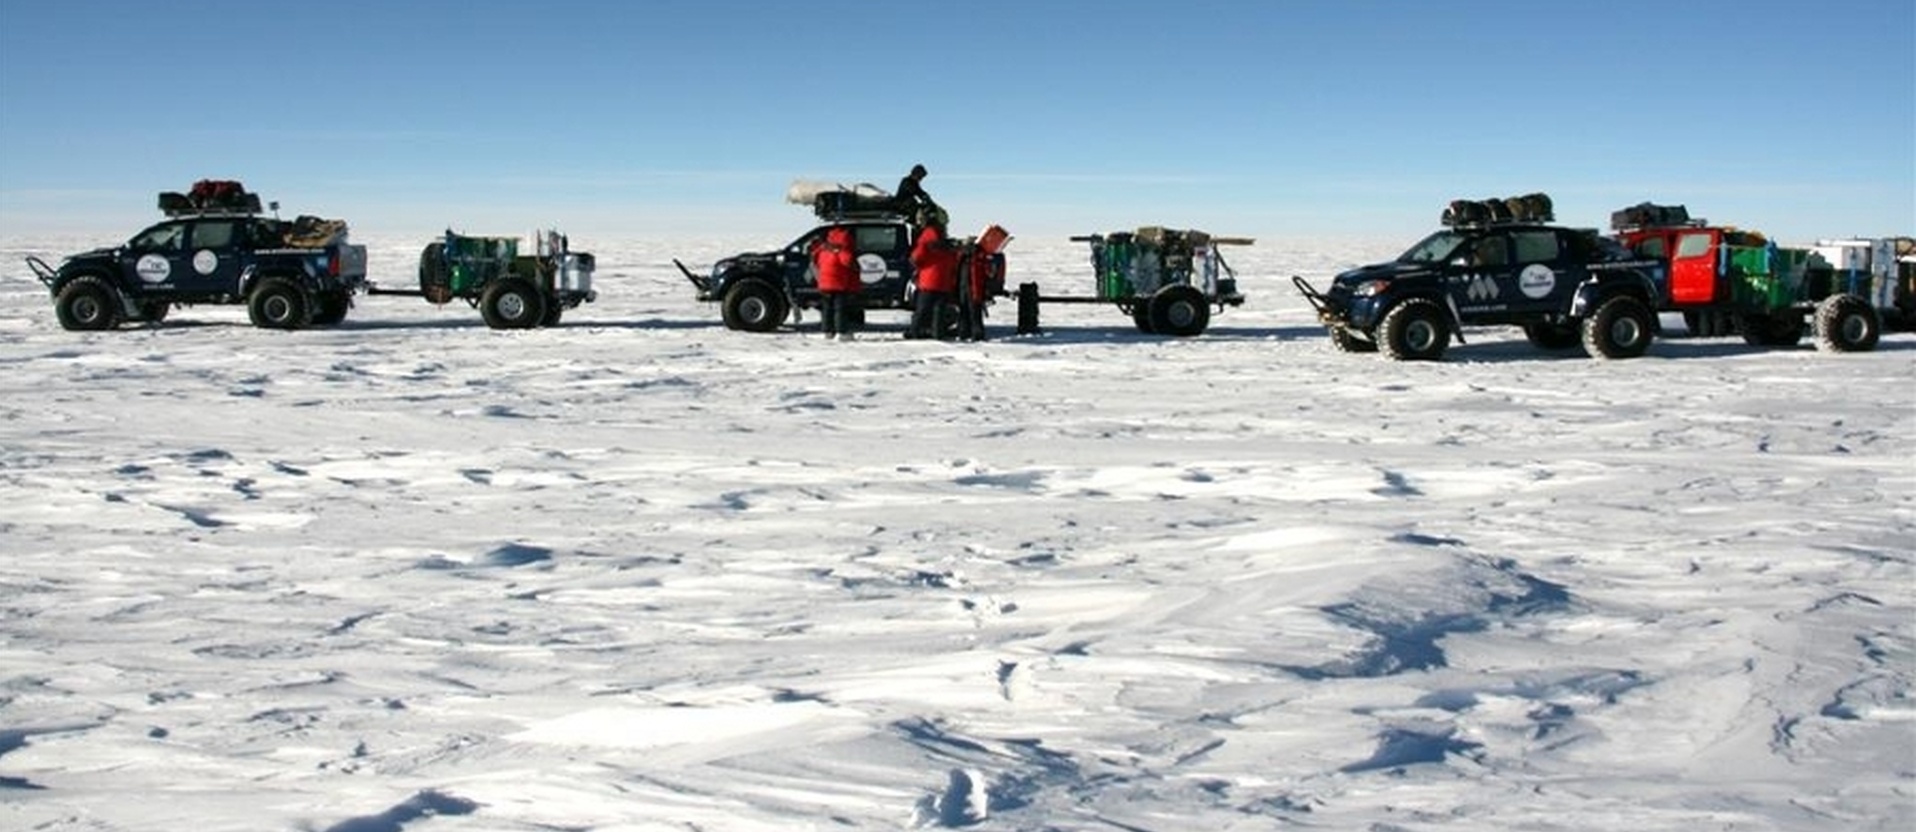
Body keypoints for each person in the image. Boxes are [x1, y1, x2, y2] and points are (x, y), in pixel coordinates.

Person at [906, 211, 959, 340]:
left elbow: (917, 257)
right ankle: (938, 333)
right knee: (939, 309)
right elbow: (953, 260)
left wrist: (915, 263)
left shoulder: (926, 237)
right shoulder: (945, 241)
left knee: (922, 309)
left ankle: (914, 331)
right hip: (944, 281)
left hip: (928, 280)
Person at [811, 225, 858, 340]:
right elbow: (848, 262)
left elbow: (817, 261)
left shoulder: (823, 250)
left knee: (827, 309)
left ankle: (827, 331)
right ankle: (841, 332)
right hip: (839, 284)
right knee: (840, 309)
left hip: (824, 284)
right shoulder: (842, 251)